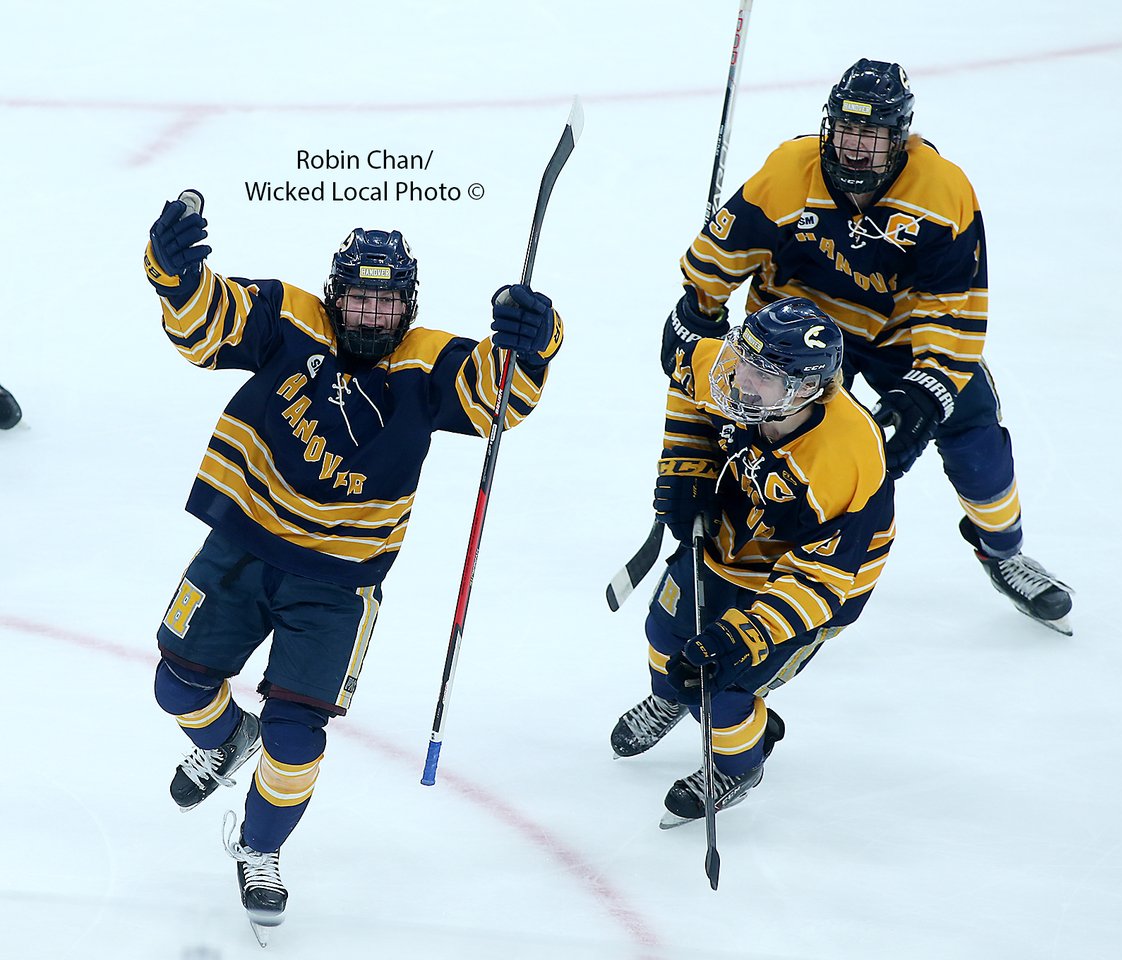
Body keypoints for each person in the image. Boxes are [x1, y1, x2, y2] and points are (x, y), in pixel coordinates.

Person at [144, 190, 563, 936]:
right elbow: (207, 326)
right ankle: (226, 741)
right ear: (336, 295)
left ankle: (259, 845)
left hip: (338, 584)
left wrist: (533, 340)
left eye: (387, 302)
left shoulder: (426, 361)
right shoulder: (290, 317)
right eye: (360, 301)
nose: (372, 316)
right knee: (176, 686)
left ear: (408, 304)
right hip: (241, 546)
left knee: (296, 736)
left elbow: (501, 397)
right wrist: (175, 275)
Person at [660, 59, 1073, 634]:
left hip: (897, 334)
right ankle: (743, 551)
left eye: (872, 135)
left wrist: (923, 399)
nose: (856, 148)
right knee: (759, 425)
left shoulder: (942, 193)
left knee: (974, 431)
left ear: (899, 138)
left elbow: (952, 314)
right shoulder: (787, 173)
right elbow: (716, 262)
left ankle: (1001, 550)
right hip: (794, 329)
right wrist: (698, 309)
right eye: (848, 131)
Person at [612, 297, 894, 826]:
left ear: (805, 390)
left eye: (760, 375)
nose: (739, 377)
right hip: (732, 532)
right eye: (743, 358)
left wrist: (737, 637)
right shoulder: (738, 371)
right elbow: (686, 379)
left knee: (726, 681)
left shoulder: (843, 460)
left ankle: (738, 764)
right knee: (665, 633)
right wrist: (687, 468)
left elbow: (820, 583)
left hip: (811, 582)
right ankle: (673, 698)